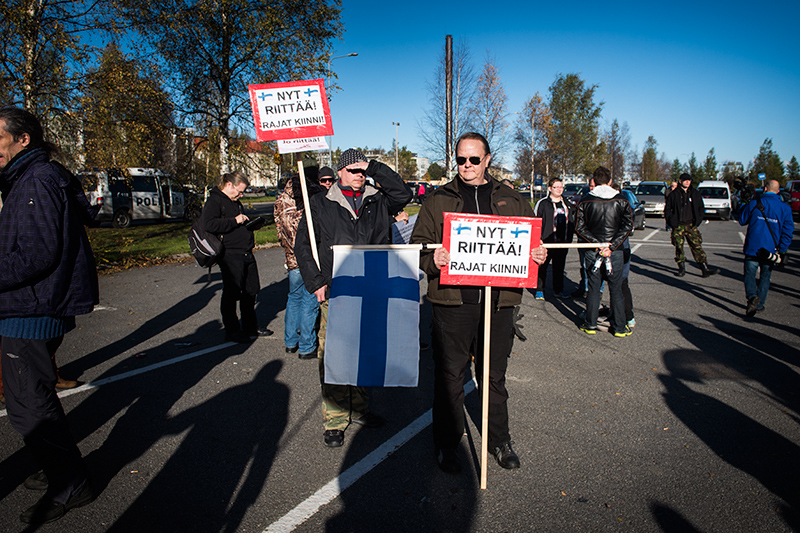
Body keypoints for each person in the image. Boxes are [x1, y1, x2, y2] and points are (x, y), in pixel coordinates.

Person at [410, 132, 548, 474]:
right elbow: (418, 247)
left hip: (499, 304)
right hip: (452, 305)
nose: (467, 166)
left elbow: (532, 241)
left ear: (487, 159)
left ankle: (499, 440)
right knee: (450, 378)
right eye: (461, 159)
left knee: (494, 378)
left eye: (474, 159)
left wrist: (538, 254)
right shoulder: (438, 200)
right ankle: (447, 443)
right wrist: (433, 258)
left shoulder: (512, 199)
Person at [0, 107, 98, 524]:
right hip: (36, 304)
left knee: (28, 402)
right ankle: (55, 466)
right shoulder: (37, 176)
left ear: (23, 139)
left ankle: (71, 483)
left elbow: (37, 254)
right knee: (33, 396)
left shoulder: (36, 180)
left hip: (32, 307)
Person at [294, 148, 412, 448]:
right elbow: (304, 247)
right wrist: (315, 282)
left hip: (372, 288)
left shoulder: (378, 200)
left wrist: (374, 166)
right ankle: (334, 419)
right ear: (341, 172)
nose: (360, 176)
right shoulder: (320, 203)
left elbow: (403, 193)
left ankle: (358, 409)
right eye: (354, 170)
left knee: (363, 353)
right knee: (333, 355)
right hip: (336, 290)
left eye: (363, 171)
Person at [201, 170, 272, 343]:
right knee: (232, 293)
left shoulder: (235, 201)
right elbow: (208, 224)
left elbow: (236, 222)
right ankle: (232, 330)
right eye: (239, 191)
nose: (240, 195)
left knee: (251, 290)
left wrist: (248, 224)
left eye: (243, 192)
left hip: (246, 251)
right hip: (230, 253)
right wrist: (235, 221)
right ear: (228, 185)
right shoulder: (215, 200)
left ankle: (250, 325)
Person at [575, 166, 633, 337]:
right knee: (615, 288)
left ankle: (590, 324)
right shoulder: (621, 199)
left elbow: (579, 227)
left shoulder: (585, 200)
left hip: (593, 250)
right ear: (609, 180)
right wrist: (611, 245)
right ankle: (620, 327)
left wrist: (598, 243)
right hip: (613, 252)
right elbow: (628, 226)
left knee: (593, 288)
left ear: (594, 181)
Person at [274, 175, 321, 359]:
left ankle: (290, 341)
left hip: (291, 257)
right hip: (307, 257)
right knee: (310, 301)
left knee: (294, 299)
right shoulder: (307, 201)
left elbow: (279, 231)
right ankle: (307, 345)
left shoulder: (280, 202)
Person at [738, 179, 793, 317]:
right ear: (778, 191)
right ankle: (760, 304)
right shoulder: (785, 208)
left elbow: (742, 219)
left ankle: (752, 297)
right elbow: (787, 231)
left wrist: (744, 203)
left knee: (750, 274)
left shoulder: (754, 203)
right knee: (765, 276)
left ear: (765, 189)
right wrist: (783, 249)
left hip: (753, 246)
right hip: (770, 249)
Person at [664, 173, 719, 278]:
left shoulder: (695, 194)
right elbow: (667, 210)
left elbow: (700, 208)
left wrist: (698, 220)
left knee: (697, 246)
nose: (688, 182)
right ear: (680, 181)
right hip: (678, 225)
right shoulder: (674, 194)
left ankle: (704, 268)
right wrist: (671, 222)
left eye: (689, 180)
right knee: (679, 247)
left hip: (691, 225)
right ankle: (681, 268)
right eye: (685, 180)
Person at [533, 177, 574, 300]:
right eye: (556, 187)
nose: (559, 189)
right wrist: (538, 239)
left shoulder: (567, 203)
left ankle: (558, 290)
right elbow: (536, 221)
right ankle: (539, 290)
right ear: (550, 188)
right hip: (546, 242)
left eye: (561, 187)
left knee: (559, 268)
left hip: (563, 242)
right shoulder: (543, 203)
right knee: (542, 267)